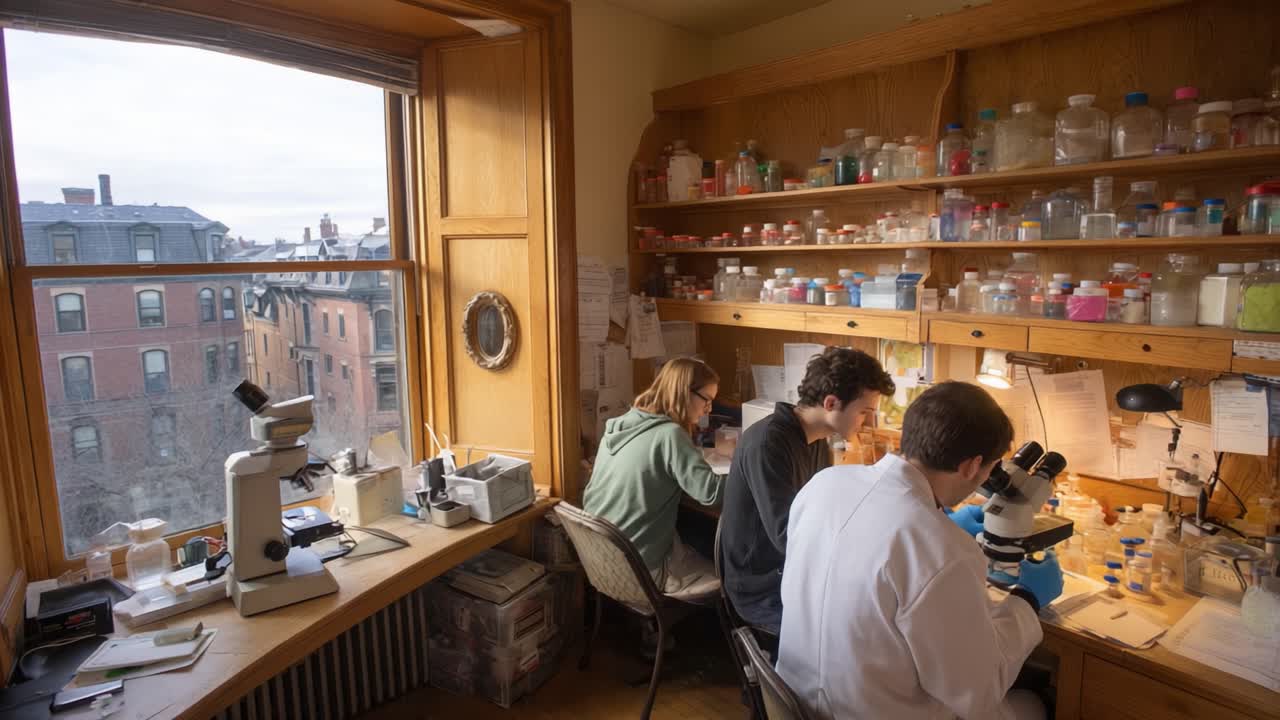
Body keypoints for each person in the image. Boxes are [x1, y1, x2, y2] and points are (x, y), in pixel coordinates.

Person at [777, 382, 1063, 720]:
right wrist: (1027, 600)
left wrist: (940, 524)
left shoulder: (824, 484)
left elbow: (875, 546)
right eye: (991, 468)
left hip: (794, 703)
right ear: (972, 466)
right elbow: (978, 689)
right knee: (1034, 704)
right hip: (868, 712)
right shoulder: (944, 550)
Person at [720, 347, 894, 634]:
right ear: (831, 403)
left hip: (794, 572)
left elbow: (823, 509)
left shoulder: (815, 440)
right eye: (864, 412)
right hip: (762, 589)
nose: (867, 422)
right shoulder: (768, 443)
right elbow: (788, 536)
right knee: (853, 632)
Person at [584, 357, 725, 595]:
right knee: (723, 562)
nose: (709, 409)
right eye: (707, 400)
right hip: (640, 572)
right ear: (684, 392)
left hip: (600, 563)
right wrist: (748, 469)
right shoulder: (670, 435)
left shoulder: (621, 424)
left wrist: (707, 448)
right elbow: (712, 494)